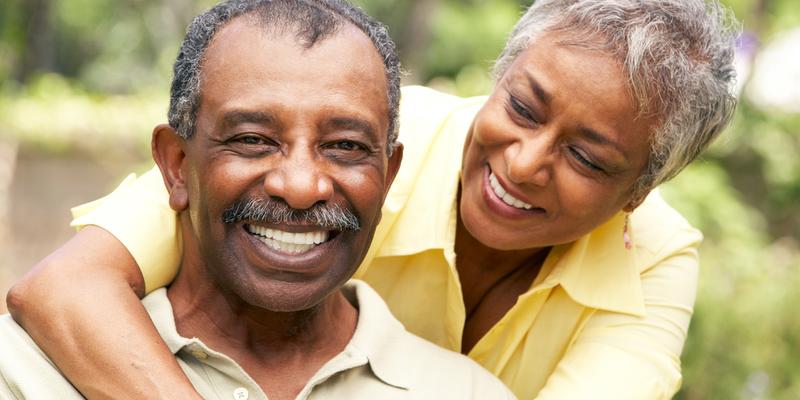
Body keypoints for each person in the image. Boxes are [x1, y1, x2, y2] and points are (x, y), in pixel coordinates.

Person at [7, 0, 739, 399]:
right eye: (521, 106)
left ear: (636, 196)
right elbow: (69, 285)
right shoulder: (354, 125)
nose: (525, 162)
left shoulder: (655, 262)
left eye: (586, 157)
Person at [0, 1, 518, 399]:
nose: (299, 186)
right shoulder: (26, 369)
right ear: (176, 165)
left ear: (388, 177)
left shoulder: (467, 393)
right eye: (252, 139)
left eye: (345, 146)